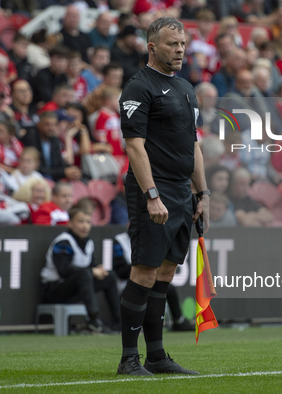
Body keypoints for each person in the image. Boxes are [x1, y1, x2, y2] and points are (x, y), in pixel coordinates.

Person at [117, 17, 208, 376]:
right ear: (152, 48)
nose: (180, 50)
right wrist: (151, 195)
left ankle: (156, 356)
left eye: (183, 44)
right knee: (144, 271)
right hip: (152, 190)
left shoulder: (186, 87)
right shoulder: (139, 88)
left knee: (166, 273)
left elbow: (194, 145)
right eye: (173, 44)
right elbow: (134, 148)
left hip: (182, 193)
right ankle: (128, 360)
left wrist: (203, 192)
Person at [41, 203, 121, 333]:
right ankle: (93, 320)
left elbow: (90, 266)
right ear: (70, 223)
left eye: (88, 222)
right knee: (84, 274)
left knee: (109, 276)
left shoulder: (88, 242)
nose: (85, 226)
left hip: (76, 288)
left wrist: (97, 270)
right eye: (80, 221)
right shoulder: (63, 242)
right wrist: (91, 271)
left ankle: (119, 322)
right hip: (54, 290)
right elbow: (64, 270)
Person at [112, 232, 195, 331]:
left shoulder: (151, 237)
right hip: (128, 283)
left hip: (150, 280)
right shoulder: (119, 240)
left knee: (168, 287)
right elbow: (120, 270)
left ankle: (179, 321)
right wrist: (144, 269)